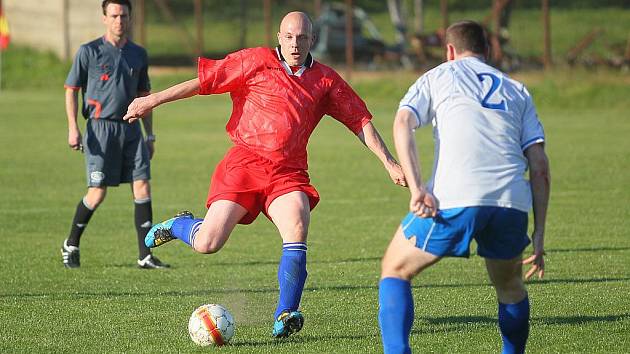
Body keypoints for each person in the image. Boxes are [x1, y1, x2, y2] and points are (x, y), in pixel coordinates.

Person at [123, 11, 405, 338]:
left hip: (288, 173)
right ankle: (180, 224)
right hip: (244, 164)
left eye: (302, 37)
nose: (295, 43)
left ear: (312, 40)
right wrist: (152, 100)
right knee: (208, 243)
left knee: (297, 225)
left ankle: (286, 313)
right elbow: (203, 82)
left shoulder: (326, 80)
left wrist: (389, 161)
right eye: (289, 37)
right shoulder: (255, 61)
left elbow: (360, 121)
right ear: (279, 37)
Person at [378, 20, 550, 354]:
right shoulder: (516, 89)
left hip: (455, 197)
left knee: (395, 270)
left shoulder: (440, 74)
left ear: (450, 51)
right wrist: (539, 232)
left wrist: (416, 188)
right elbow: (540, 166)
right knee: (510, 287)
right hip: (511, 201)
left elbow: (403, 123)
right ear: (487, 52)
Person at [61, 0, 168, 269]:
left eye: (123, 15)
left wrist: (150, 135)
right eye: (114, 15)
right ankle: (71, 243)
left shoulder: (138, 54)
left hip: (132, 128)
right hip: (100, 129)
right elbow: (71, 89)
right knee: (97, 192)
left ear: (130, 18)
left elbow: (145, 97)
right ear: (104, 18)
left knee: (142, 186)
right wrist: (73, 128)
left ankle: (145, 255)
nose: (119, 20)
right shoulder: (89, 51)